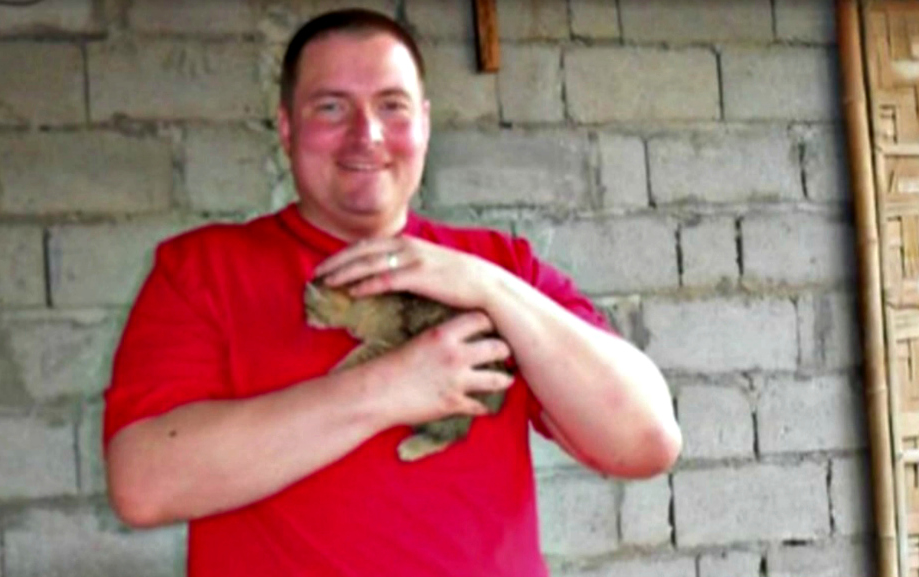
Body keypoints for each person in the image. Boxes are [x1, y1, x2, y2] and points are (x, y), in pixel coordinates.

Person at [102, 8, 681, 577]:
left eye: (392, 106)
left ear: (424, 123)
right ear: (286, 127)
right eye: (332, 107)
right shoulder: (201, 270)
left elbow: (646, 442)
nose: (367, 135)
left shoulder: (503, 267)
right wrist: (389, 387)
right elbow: (143, 485)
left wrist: (491, 288)